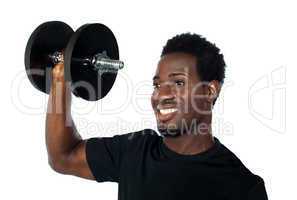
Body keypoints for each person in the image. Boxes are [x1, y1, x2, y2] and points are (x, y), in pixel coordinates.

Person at [46, 33, 268, 199]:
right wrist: (60, 81)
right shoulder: (133, 150)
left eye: (178, 82)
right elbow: (62, 156)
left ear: (210, 91)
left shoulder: (243, 188)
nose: (160, 95)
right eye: (157, 84)